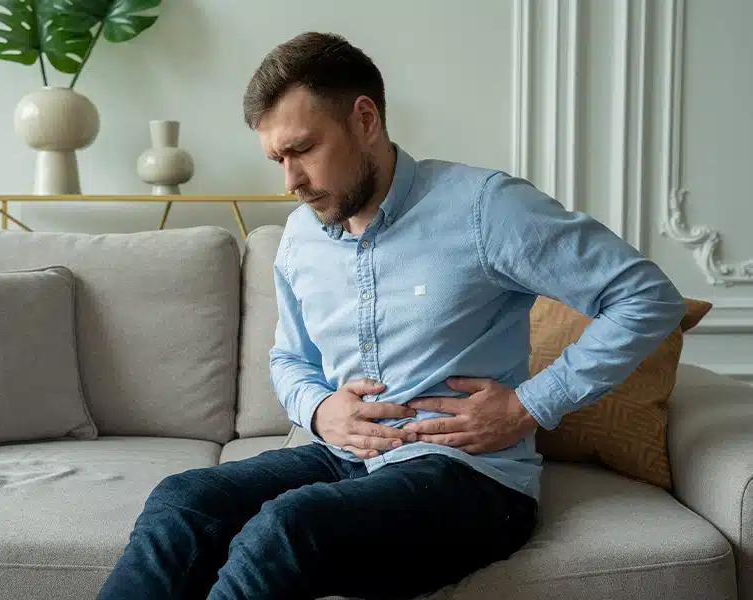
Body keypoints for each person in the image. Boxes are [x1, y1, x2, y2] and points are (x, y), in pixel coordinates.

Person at [97, 32, 687, 600]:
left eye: (302, 150)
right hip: (345, 458)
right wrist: (321, 408)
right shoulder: (301, 238)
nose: (290, 182)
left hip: (471, 480)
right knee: (182, 500)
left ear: (364, 120)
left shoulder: (485, 208)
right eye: (277, 158)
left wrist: (528, 404)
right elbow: (289, 359)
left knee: (289, 527)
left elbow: (644, 296)